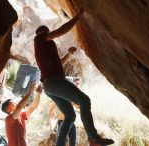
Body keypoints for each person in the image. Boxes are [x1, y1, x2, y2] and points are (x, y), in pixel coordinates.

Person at [34, 7, 114, 146]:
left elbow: (59, 63)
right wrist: (78, 16)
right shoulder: (40, 38)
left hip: (50, 85)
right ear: (44, 32)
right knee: (84, 101)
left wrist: (69, 54)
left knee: (70, 115)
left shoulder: (44, 47)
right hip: (54, 82)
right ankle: (93, 138)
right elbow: (61, 30)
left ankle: (59, 144)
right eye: (48, 33)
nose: (50, 35)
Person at [1, 81, 42, 146]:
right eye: (12, 102)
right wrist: (29, 93)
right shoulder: (8, 119)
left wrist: (38, 94)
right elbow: (19, 107)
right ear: (8, 109)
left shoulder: (21, 115)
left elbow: (32, 108)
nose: (14, 102)